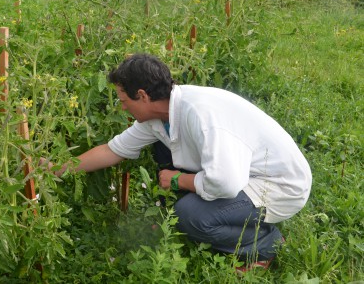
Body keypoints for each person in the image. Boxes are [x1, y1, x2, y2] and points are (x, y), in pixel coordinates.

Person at [46, 53, 312, 270]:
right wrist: (54, 169)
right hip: (244, 174)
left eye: (124, 100)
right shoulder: (159, 117)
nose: (122, 107)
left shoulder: (199, 114)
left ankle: (266, 244)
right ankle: (228, 220)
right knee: (164, 154)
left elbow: (227, 183)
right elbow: (113, 150)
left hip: (277, 186)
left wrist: (179, 180)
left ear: (143, 95)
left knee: (189, 217)